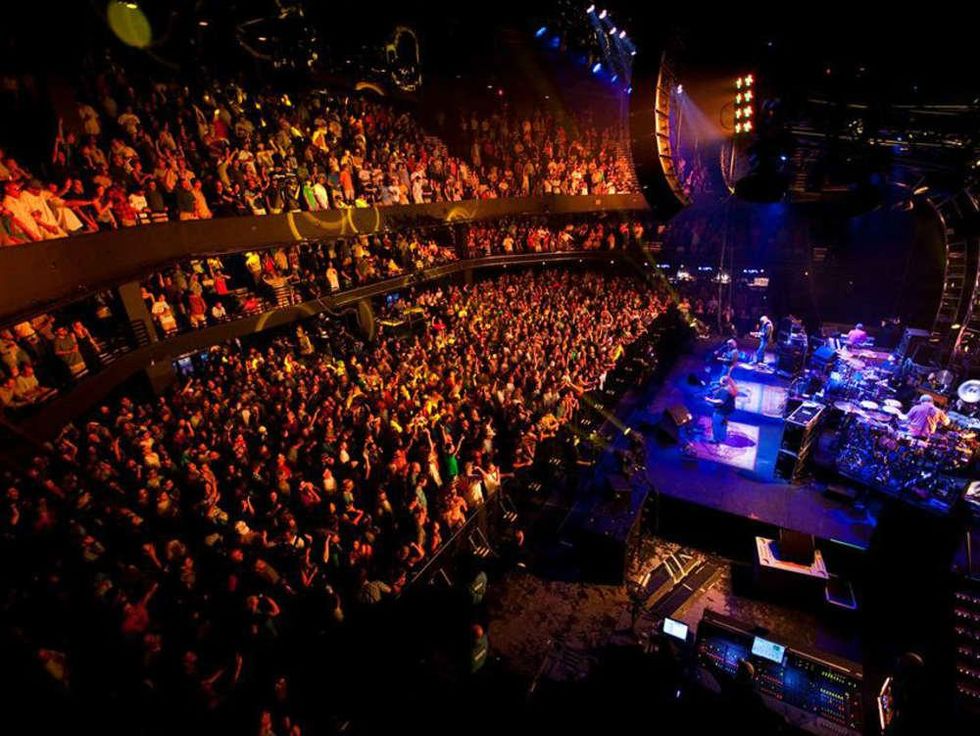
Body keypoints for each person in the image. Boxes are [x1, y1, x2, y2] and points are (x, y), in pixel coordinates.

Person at [705, 375, 738, 444]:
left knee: (716, 424)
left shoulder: (724, 390)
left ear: (724, 382)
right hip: (728, 410)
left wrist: (709, 400)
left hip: (721, 411)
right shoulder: (732, 388)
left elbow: (721, 401)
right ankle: (722, 437)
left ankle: (715, 439)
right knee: (723, 423)